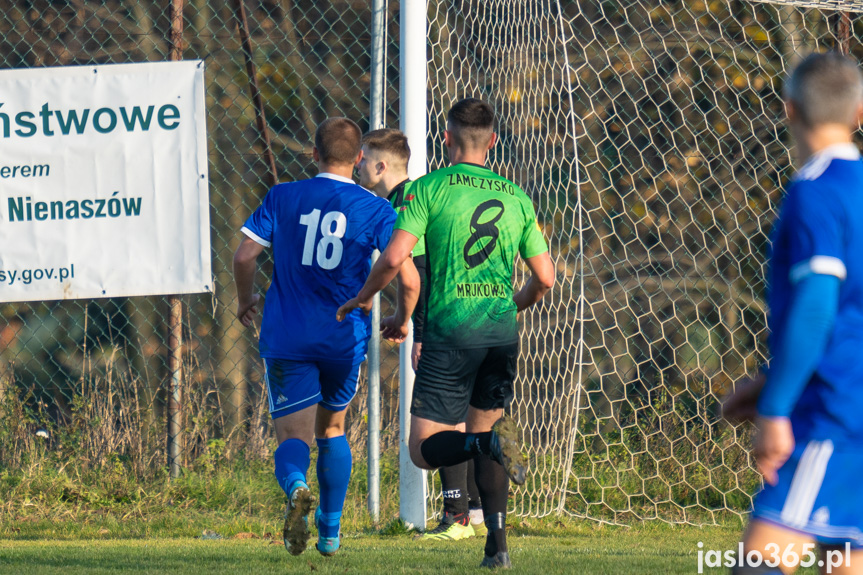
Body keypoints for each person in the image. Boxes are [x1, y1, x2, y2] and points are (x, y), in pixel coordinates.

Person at [338, 98, 555, 568]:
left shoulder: (428, 189)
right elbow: (546, 278)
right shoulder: (517, 195)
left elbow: (396, 259)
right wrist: (511, 306)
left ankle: (478, 467)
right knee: (486, 428)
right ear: (493, 142)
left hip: (449, 331)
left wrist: (364, 298)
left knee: (422, 450)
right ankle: (497, 548)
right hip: (500, 332)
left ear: (447, 139)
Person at [232, 117, 420, 558]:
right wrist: (400, 316)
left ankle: (297, 487)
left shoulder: (283, 196)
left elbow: (245, 255)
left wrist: (246, 298)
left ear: (313, 154)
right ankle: (330, 532)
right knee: (333, 429)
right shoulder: (375, 208)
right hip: (342, 337)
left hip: (288, 336)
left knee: (292, 438)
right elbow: (407, 279)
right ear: (358, 160)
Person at [723, 52, 863, 574]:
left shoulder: (815, 192)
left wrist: (776, 407)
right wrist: (765, 382)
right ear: (859, 112)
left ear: (788, 110)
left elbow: (817, 306)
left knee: (758, 564)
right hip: (853, 404)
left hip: (832, 414)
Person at [357, 128, 486, 541]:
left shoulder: (405, 205)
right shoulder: (427, 193)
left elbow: (424, 276)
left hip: (443, 324)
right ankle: (475, 509)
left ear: (380, 166)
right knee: (460, 418)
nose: (357, 165)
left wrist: (419, 330)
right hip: (480, 317)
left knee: (432, 435)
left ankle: (456, 516)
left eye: (362, 159)